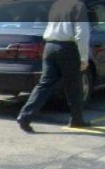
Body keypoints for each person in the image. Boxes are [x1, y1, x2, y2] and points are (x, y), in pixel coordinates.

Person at [16, 0, 91, 132]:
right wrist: (84, 57)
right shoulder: (78, 6)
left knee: (44, 84)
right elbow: (82, 32)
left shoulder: (56, 5)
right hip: (68, 48)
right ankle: (76, 119)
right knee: (74, 86)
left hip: (50, 46)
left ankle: (25, 116)